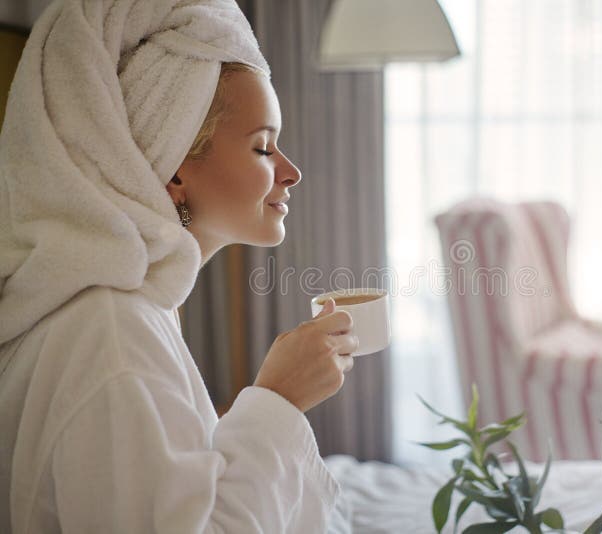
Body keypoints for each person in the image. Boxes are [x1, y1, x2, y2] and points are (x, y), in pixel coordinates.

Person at [0, 1, 356, 532]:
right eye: (263, 147)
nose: (292, 171)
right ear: (173, 169)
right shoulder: (111, 334)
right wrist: (278, 399)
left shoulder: (133, 311)